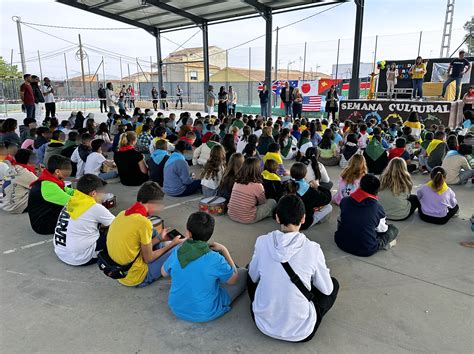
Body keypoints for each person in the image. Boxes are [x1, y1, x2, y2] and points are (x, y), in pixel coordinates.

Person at [247, 194, 339, 342]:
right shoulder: (313, 249)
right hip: (301, 331)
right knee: (333, 285)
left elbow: (252, 277)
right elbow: (327, 290)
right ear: (303, 218)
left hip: (263, 323)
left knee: (252, 269)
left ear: (277, 218)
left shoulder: (262, 242)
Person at [162, 212, 247, 322]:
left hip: (177, 308)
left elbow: (163, 272)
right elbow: (233, 280)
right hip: (205, 312)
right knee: (243, 272)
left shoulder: (178, 250)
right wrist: (224, 250)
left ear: (188, 232)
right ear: (210, 234)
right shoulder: (215, 258)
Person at [107, 182, 184, 287]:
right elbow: (148, 259)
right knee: (179, 248)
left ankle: (160, 254)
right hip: (136, 277)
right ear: (152, 203)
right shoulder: (143, 223)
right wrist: (172, 244)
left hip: (119, 272)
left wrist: (159, 239)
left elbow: (135, 246)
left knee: (155, 233)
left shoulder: (122, 214)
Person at [53, 174, 115, 266]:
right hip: (80, 258)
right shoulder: (95, 207)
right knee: (115, 234)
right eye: (102, 193)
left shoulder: (72, 200)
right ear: (93, 193)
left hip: (61, 252)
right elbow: (117, 224)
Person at [335, 174, 399, 257]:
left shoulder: (345, 200)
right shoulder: (377, 207)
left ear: (360, 185)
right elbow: (382, 230)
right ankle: (384, 244)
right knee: (393, 229)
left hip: (341, 242)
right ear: (377, 190)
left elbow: (340, 219)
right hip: (365, 249)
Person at [28, 155, 74, 235]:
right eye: (65, 174)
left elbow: (67, 190)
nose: (66, 178)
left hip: (46, 216)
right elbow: (72, 202)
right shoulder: (48, 186)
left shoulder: (49, 179)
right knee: (79, 212)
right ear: (57, 171)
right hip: (42, 225)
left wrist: (82, 192)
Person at [227, 157, 276, 224]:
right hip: (247, 218)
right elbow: (262, 202)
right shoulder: (258, 185)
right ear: (257, 170)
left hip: (231, 214)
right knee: (272, 202)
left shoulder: (236, 182)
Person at [286, 163, 332, 230]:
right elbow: (328, 198)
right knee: (328, 207)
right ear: (305, 175)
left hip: (287, 220)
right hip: (302, 223)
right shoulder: (309, 191)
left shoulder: (287, 185)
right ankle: (319, 220)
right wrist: (318, 186)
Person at [1, 149, 37, 214]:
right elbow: (41, 184)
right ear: (29, 160)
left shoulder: (11, 169)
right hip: (17, 207)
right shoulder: (23, 172)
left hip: (6, 205)